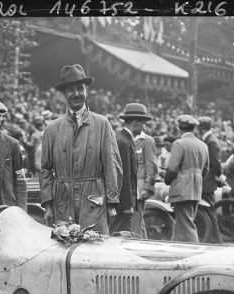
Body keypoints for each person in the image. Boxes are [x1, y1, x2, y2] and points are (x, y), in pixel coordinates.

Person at [39, 64, 122, 234]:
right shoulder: (52, 128)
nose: (76, 94)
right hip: (63, 202)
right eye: (70, 90)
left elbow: (111, 165)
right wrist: (48, 204)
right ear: (64, 94)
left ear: (86, 91)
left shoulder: (102, 124)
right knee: (64, 249)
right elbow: (45, 170)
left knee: (94, 248)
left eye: (80, 88)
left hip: (94, 202)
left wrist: (112, 202)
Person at [164, 115, 209, 243]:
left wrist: (167, 179)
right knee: (182, 222)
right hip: (196, 188)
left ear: (179, 128)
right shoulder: (203, 145)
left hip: (182, 188)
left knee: (186, 224)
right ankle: (175, 247)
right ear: (193, 128)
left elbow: (172, 168)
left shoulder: (179, 143)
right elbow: (206, 170)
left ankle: (194, 248)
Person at [111, 104, 140, 233]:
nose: (143, 127)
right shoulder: (123, 141)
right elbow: (124, 176)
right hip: (123, 204)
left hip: (123, 202)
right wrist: (127, 205)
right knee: (120, 236)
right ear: (135, 123)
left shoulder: (125, 139)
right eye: (142, 123)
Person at [197, 116, 224, 243]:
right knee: (207, 211)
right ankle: (214, 239)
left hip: (207, 182)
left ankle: (216, 240)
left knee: (209, 211)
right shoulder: (208, 139)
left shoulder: (211, 141)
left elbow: (216, 163)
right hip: (206, 180)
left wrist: (217, 176)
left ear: (201, 128)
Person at [132, 109, 157, 236]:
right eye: (142, 122)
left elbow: (151, 167)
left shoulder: (147, 141)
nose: (143, 125)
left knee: (136, 221)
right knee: (136, 223)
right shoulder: (124, 138)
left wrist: (148, 187)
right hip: (128, 188)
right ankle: (143, 243)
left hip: (139, 189)